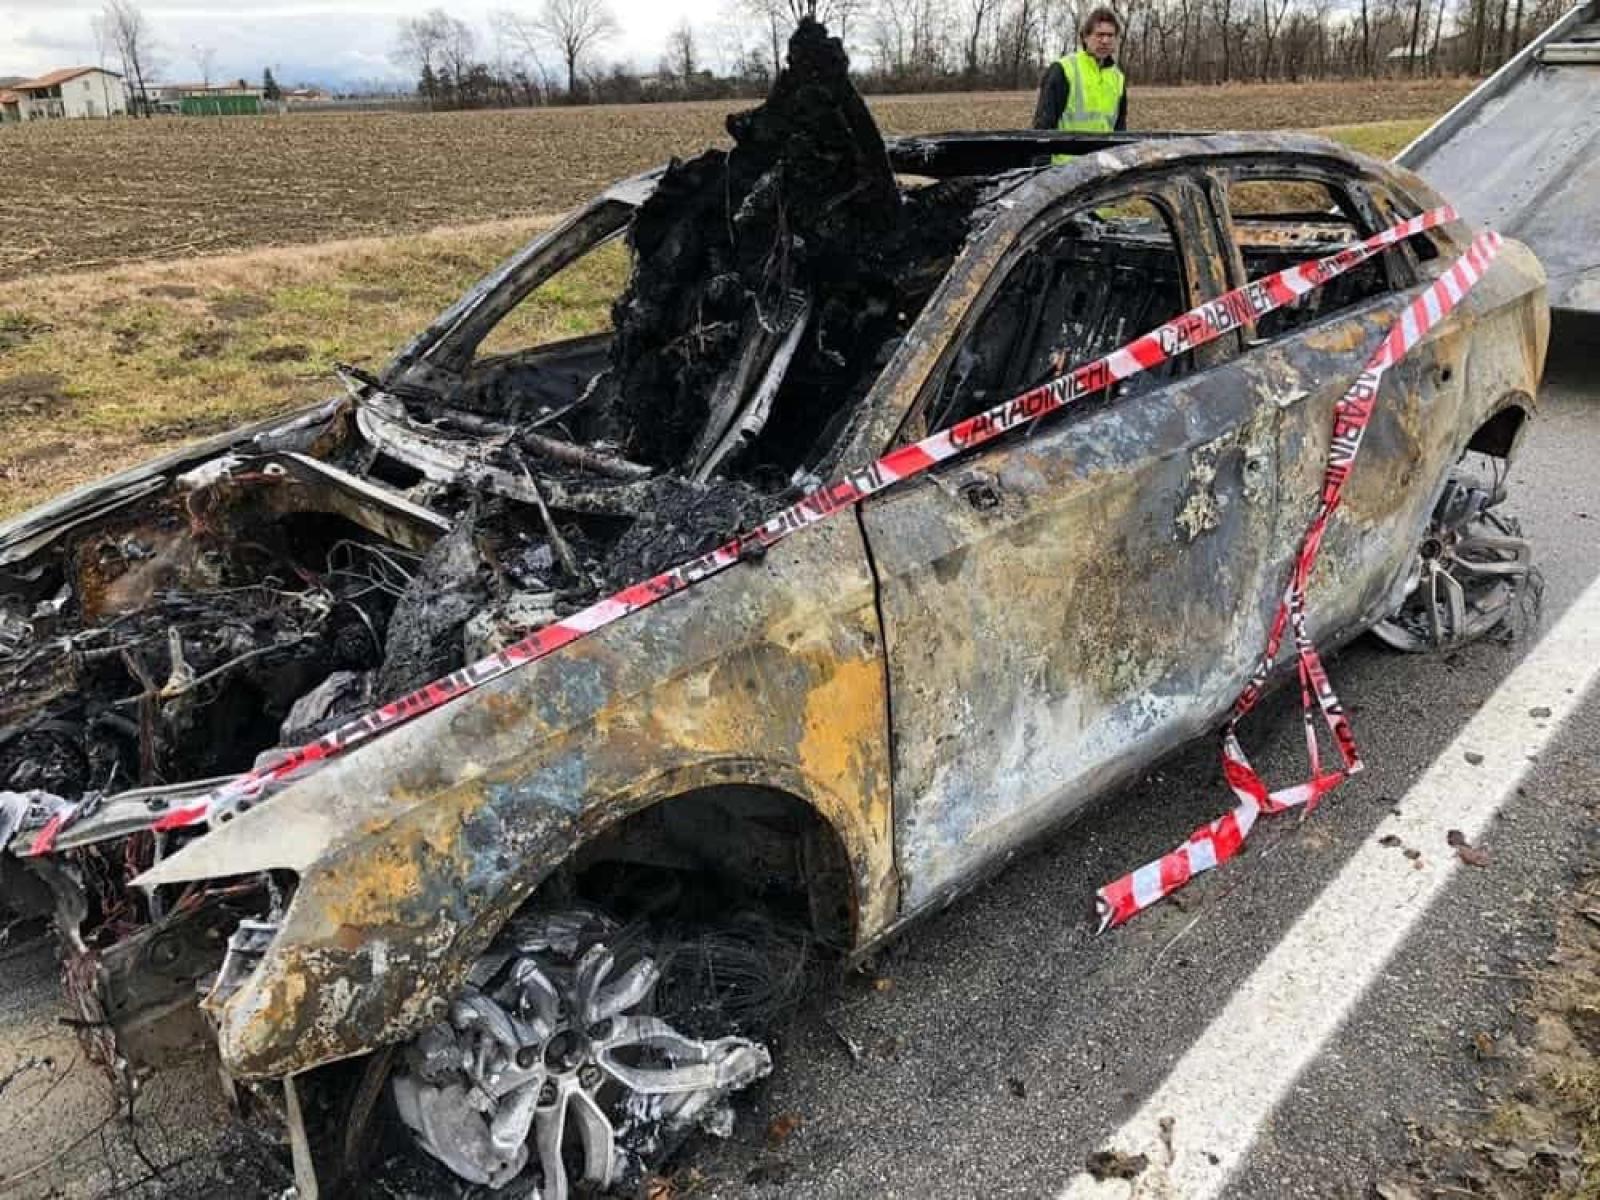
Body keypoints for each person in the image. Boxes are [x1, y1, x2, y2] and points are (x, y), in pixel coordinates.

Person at [1033, 7, 1128, 160]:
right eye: (1099, 35)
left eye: (1110, 35)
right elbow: (1043, 127)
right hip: (1063, 170)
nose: (1105, 41)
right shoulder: (1063, 69)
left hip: (1101, 168)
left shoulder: (1118, 78)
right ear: (1085, 37)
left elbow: (1120, 129)